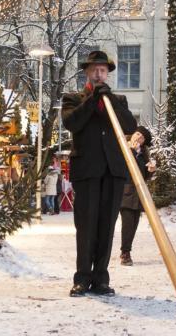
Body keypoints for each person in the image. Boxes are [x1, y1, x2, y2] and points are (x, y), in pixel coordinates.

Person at [61, 50, 137, 297]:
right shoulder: (73, 99)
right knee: (86, 225)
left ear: (108, 73)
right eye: (94, 69)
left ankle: (101, 279)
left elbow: (129, 126)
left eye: (103, 70)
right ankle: (82, 278)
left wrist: (110, 101)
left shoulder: (119, 100)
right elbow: (72, 123)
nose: (98, 73)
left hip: (113, 171)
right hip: (87, 171)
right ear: (87, 72)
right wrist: (92, 100)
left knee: (106, 226)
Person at [119, 126, 156, 266]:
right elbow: (123, 167)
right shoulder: (124, 148)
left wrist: (150, 171)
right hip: (126, 192)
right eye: (138, 134)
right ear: (133, 133)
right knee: (128, 224)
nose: (139, 138)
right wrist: (132, 152)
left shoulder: (143, 154)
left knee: (134, 224)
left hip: (139, 194)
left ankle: (127, 250)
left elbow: (143, 176)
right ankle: (125, 253)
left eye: (142, 138)